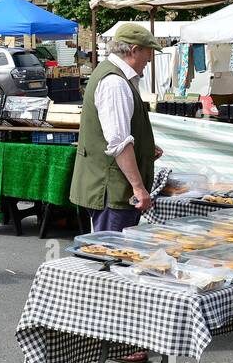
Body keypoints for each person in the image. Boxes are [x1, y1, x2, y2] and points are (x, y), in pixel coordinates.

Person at [70, 24, 165, 232]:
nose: (148, 61)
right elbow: (119, 143)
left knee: (113, 255)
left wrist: (145, 148)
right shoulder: (115, 82)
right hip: (111, 190)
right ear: (133, 50)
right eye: (148, 54)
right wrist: (139, 188)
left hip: (111, 189)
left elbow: (119, 133)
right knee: (110, 256)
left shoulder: (117, 77)